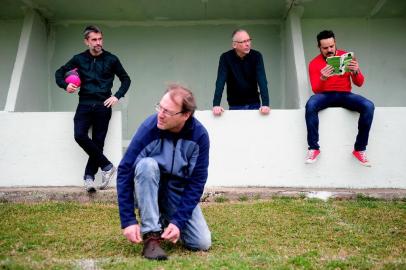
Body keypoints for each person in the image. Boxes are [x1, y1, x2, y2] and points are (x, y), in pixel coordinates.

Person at [117, 84, 211, 260]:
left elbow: (196, 183)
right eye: (160, 107)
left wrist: (178, 222)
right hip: (149, 186)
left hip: (176, 192)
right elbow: (124, 170)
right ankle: (151, 237)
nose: (160, 114)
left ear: (185, 115)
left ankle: (166, 220)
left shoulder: (199, 137)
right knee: (147, 165)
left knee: (201, 243)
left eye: (167, 111)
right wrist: (128, 221)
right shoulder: (149, 128)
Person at [55, 25, 131, 192]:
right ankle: (107, 166)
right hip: (84, 103)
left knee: (98, 142)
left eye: (100, 39)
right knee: (80, 135)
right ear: (86, 42)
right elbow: (59, 73)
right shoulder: (78, 59)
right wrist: (65, 86)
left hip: (103, 105)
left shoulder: (112, 59)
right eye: (94, 40)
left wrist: (116, 96)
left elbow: (126, 79)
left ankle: (89, 178)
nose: (98, 43)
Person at [305, 30, 374, 166]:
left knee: (369, 105)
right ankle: (313, 148)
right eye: (325, 48)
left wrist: (355, 71)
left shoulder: (346, 56)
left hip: (345, 94)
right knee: (311, 104)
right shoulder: (314, 63)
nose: (329, 50)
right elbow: (316, 90)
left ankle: (359, 149)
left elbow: (359, 83)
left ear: (335, 43)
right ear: (319, 47)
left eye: (331, 46)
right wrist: (323, 78)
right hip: (325, 95)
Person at [212, 29, 271, 116]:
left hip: (254, 104)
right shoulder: (225, 58)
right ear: (234, 44)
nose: (247, 44)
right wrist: (216, 104)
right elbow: (220, 81)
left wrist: (265, 104)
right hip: (235, 105)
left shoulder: (257, 56)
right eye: (243, 42)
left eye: (248, 40)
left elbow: (262, 80)